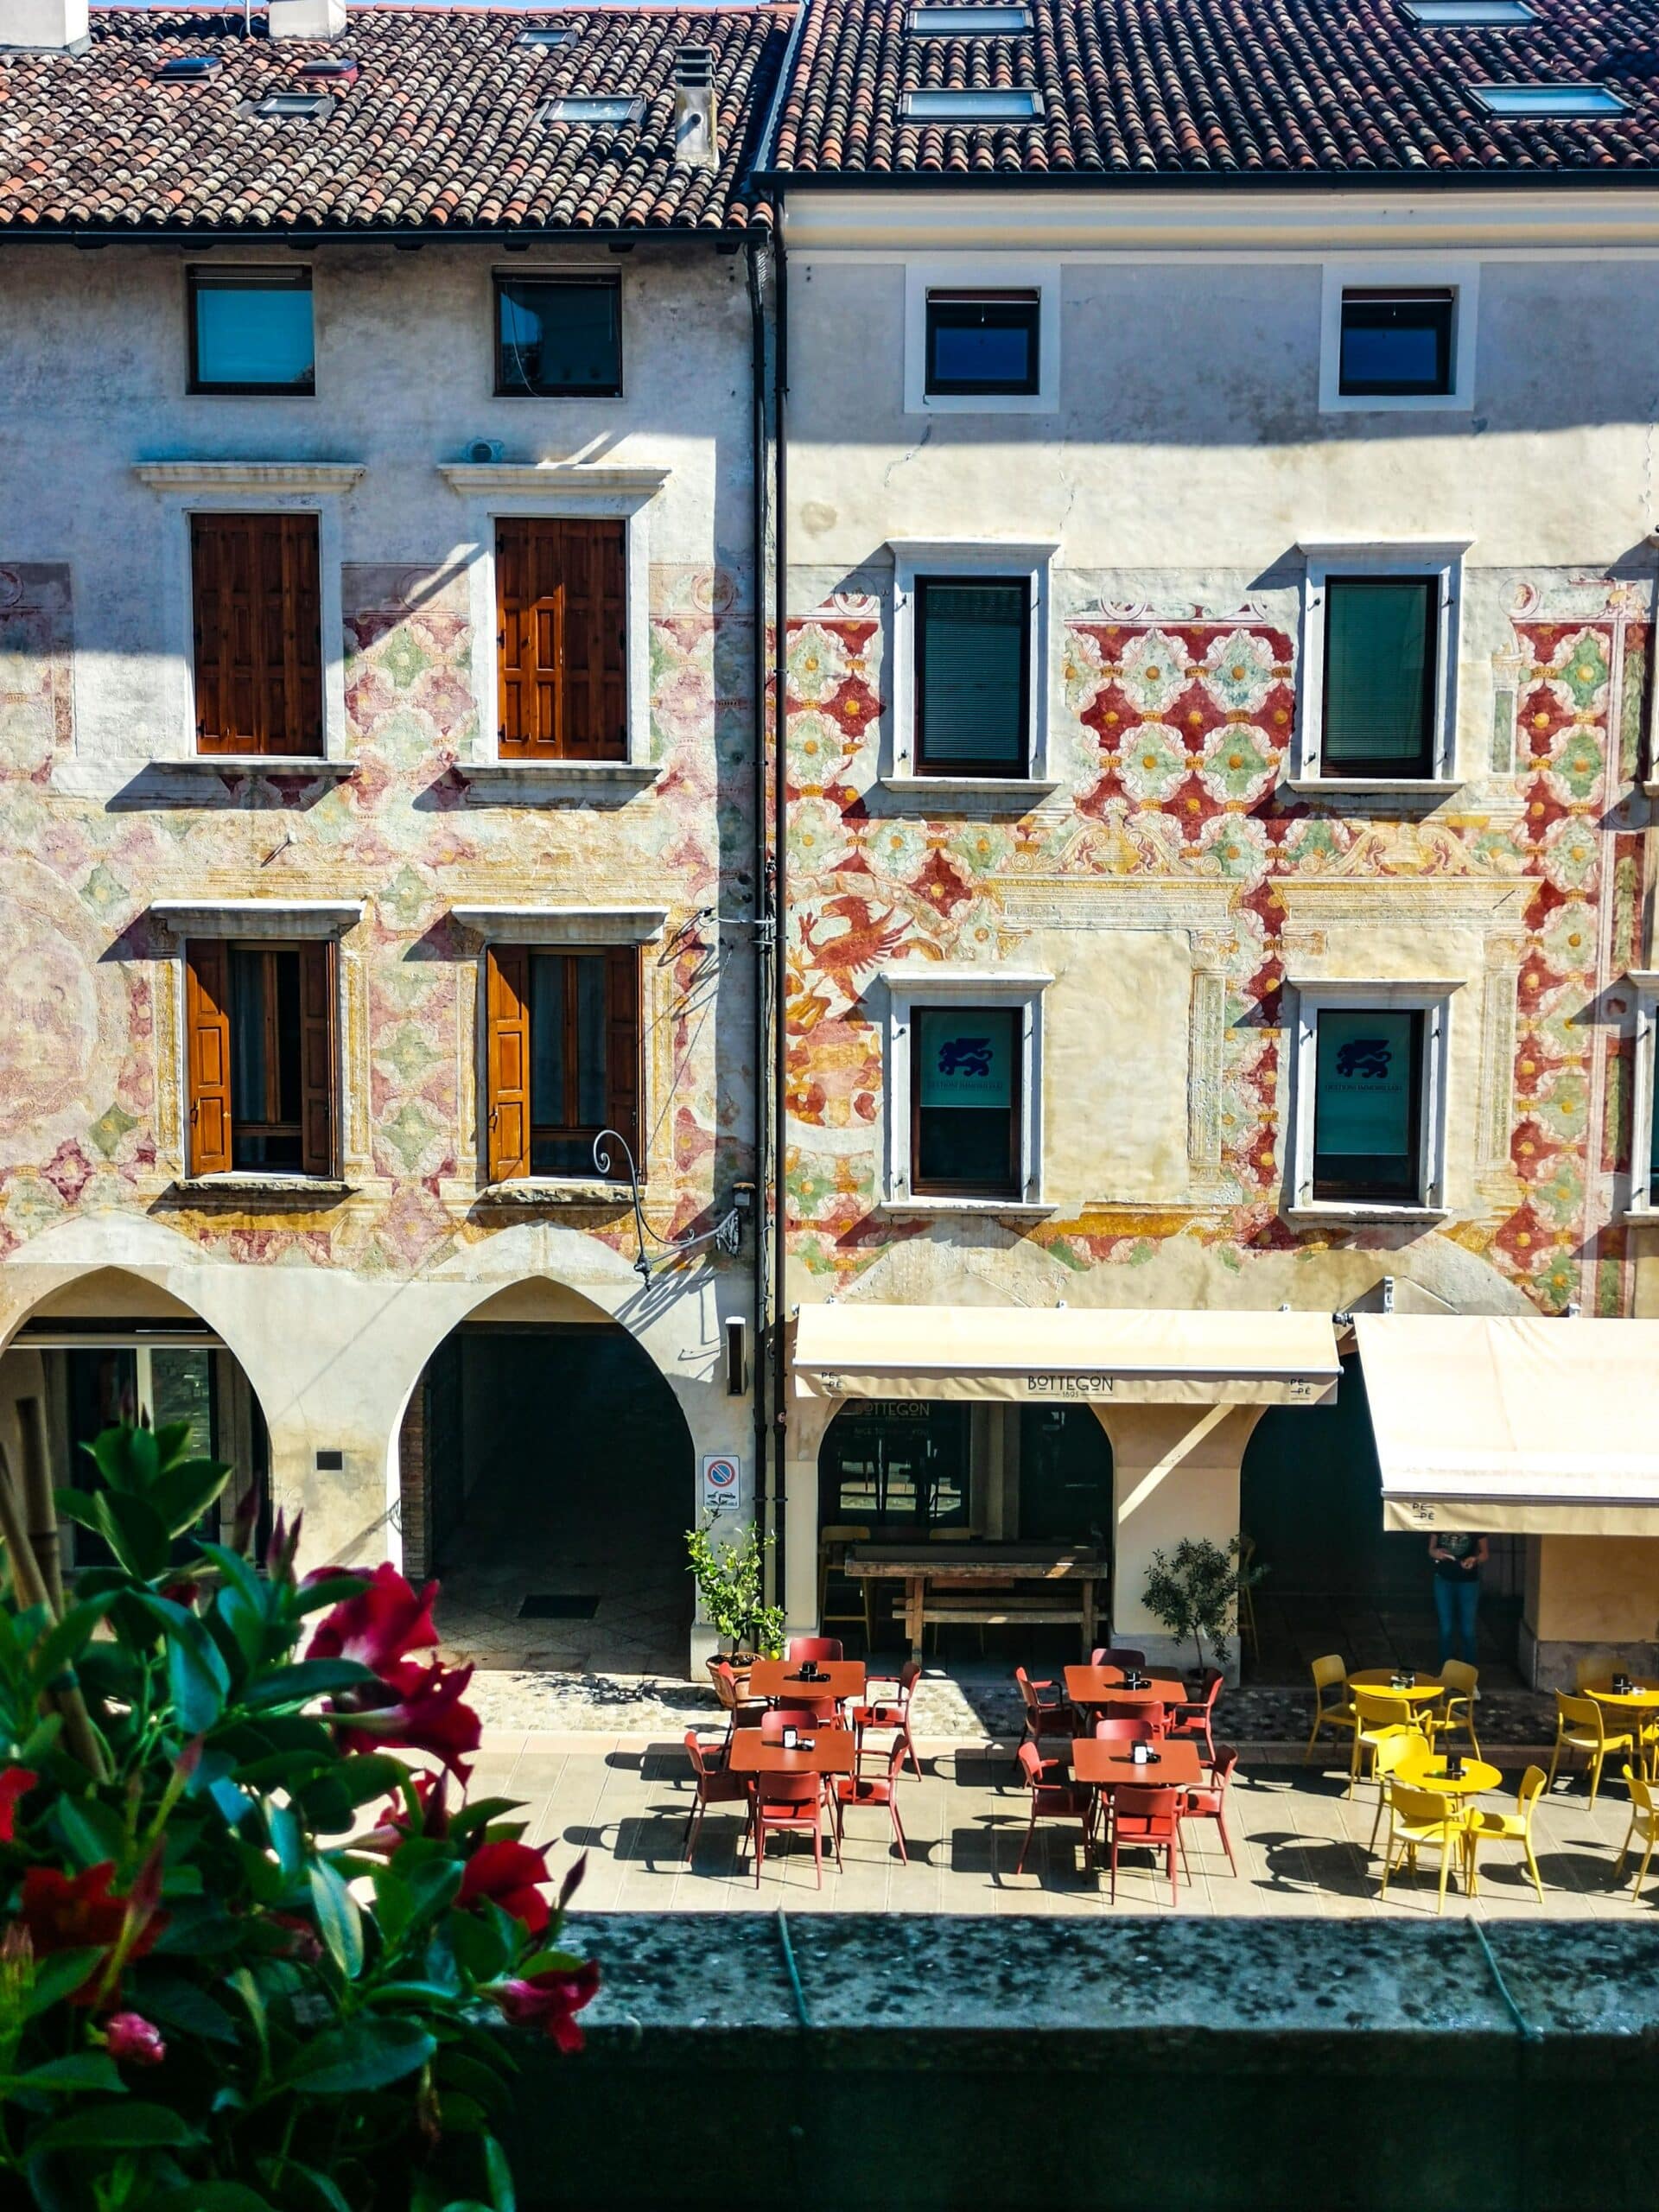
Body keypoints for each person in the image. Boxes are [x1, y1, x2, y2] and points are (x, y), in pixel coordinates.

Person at [1428, 1531, 1488, 1669]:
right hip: (1443, 1579)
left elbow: (1485, 1554)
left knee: (1468, 1630)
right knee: (1446, 1629)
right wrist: (1436, 1553)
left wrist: (1475, 1559)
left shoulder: (1476, 1525)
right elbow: (1430, 1550)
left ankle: (1469, 1673)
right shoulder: (1441, 1520)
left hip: (1469, 1581)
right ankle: (1446, 1670)